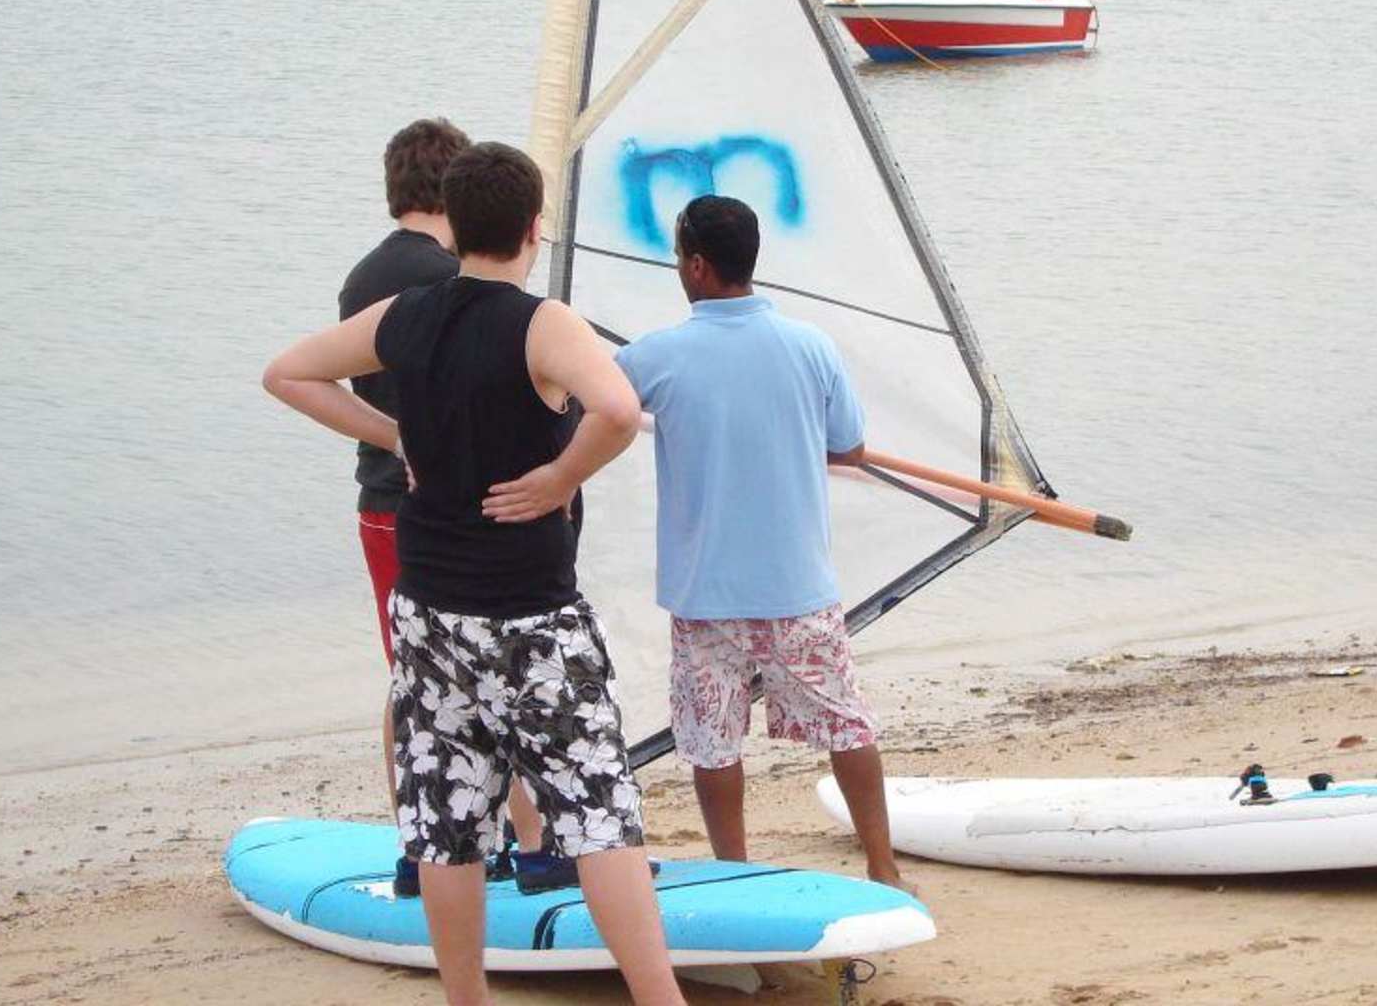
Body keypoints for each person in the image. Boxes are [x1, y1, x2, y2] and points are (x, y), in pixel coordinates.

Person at [265, 142, 685, 1005]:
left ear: (453, 226)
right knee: (598, 814)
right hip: (531, 616)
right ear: (535, 227)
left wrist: (395, 437)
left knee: (446, 821)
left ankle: (468, 999)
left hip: (430, 610)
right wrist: (560, 478)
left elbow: (289, 373)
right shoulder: (544, 324)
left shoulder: (403, 314)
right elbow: (616, 409)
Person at [613, 195, 907, 891]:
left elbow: (591, 405)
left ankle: (735, 875)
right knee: (847, 725)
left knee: (712, 742)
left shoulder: (652, 357)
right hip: (797, 589)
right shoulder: (810, 346)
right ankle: (884, 867)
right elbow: (850, 446)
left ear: (696, 266)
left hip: (705, 596)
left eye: (678, 257)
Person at [338, 118, 565, 898]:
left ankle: (420, 846)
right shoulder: (447, 282)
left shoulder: (364, 275)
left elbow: (308, 375)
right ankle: (534, 846)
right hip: (443, 505)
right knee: (498, 672)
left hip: (381, 500)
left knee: (416, 676)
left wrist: (389, 435)